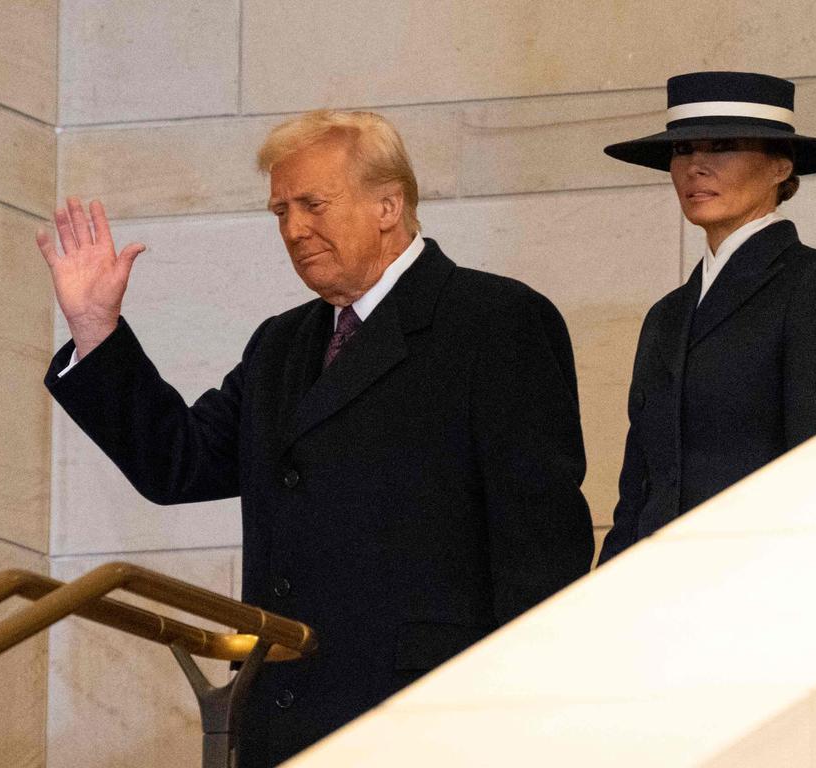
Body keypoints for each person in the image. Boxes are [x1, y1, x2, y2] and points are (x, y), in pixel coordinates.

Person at [38, 110, 594, 766]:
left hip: (427, 722)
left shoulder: (493, 321)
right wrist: (97, 328)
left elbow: (542, 551)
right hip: (285, 719)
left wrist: (509, 719)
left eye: (312, 204)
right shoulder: (282, 343)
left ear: (388, 204)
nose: (294, 229)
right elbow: (178, 463)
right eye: (280, 211)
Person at [598, 71, 816, 565]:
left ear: (779, 167)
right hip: (650, 593)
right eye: (682, 151)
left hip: (753, 586)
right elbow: (639, 486)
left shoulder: (813, 281)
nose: (695, 167)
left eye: (722, 147)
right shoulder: (667, 314)